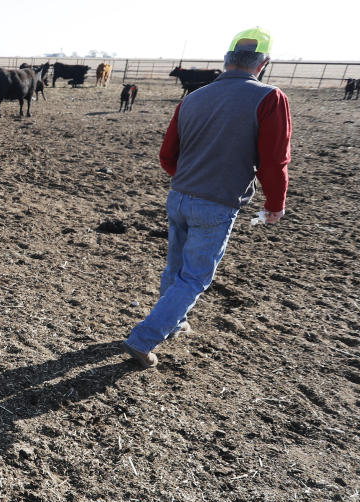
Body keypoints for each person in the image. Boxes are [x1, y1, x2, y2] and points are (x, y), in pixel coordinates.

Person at [121, 27, 292, 368]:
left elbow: (168, 155)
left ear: (226, 60)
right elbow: (274, 159)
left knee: (176, 267)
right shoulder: (270, 99)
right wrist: (275, 203)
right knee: (195, 276)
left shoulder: (192, 98)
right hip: (217, 202)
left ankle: (171, 323)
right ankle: (144, 338)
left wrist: (189, 179)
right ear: (264, 62)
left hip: (180, 195)